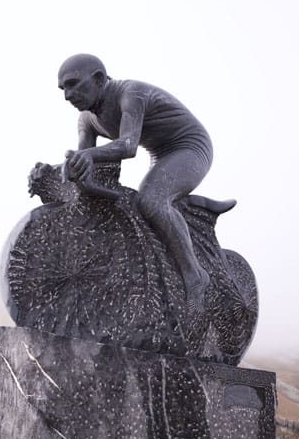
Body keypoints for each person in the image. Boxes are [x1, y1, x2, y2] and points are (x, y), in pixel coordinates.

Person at [58, 53, 224, 315]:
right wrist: (62, 168)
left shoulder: (130, 94)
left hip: (190, 148)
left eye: (73, 84)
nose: (67, 95)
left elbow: (128, 146)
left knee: (151, 201)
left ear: (98, 79)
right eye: (63, 89)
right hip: (160, 155)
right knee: (137, 207)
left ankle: (195, 276)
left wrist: (86, 157)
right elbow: (85, 160)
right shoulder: (86, 119)